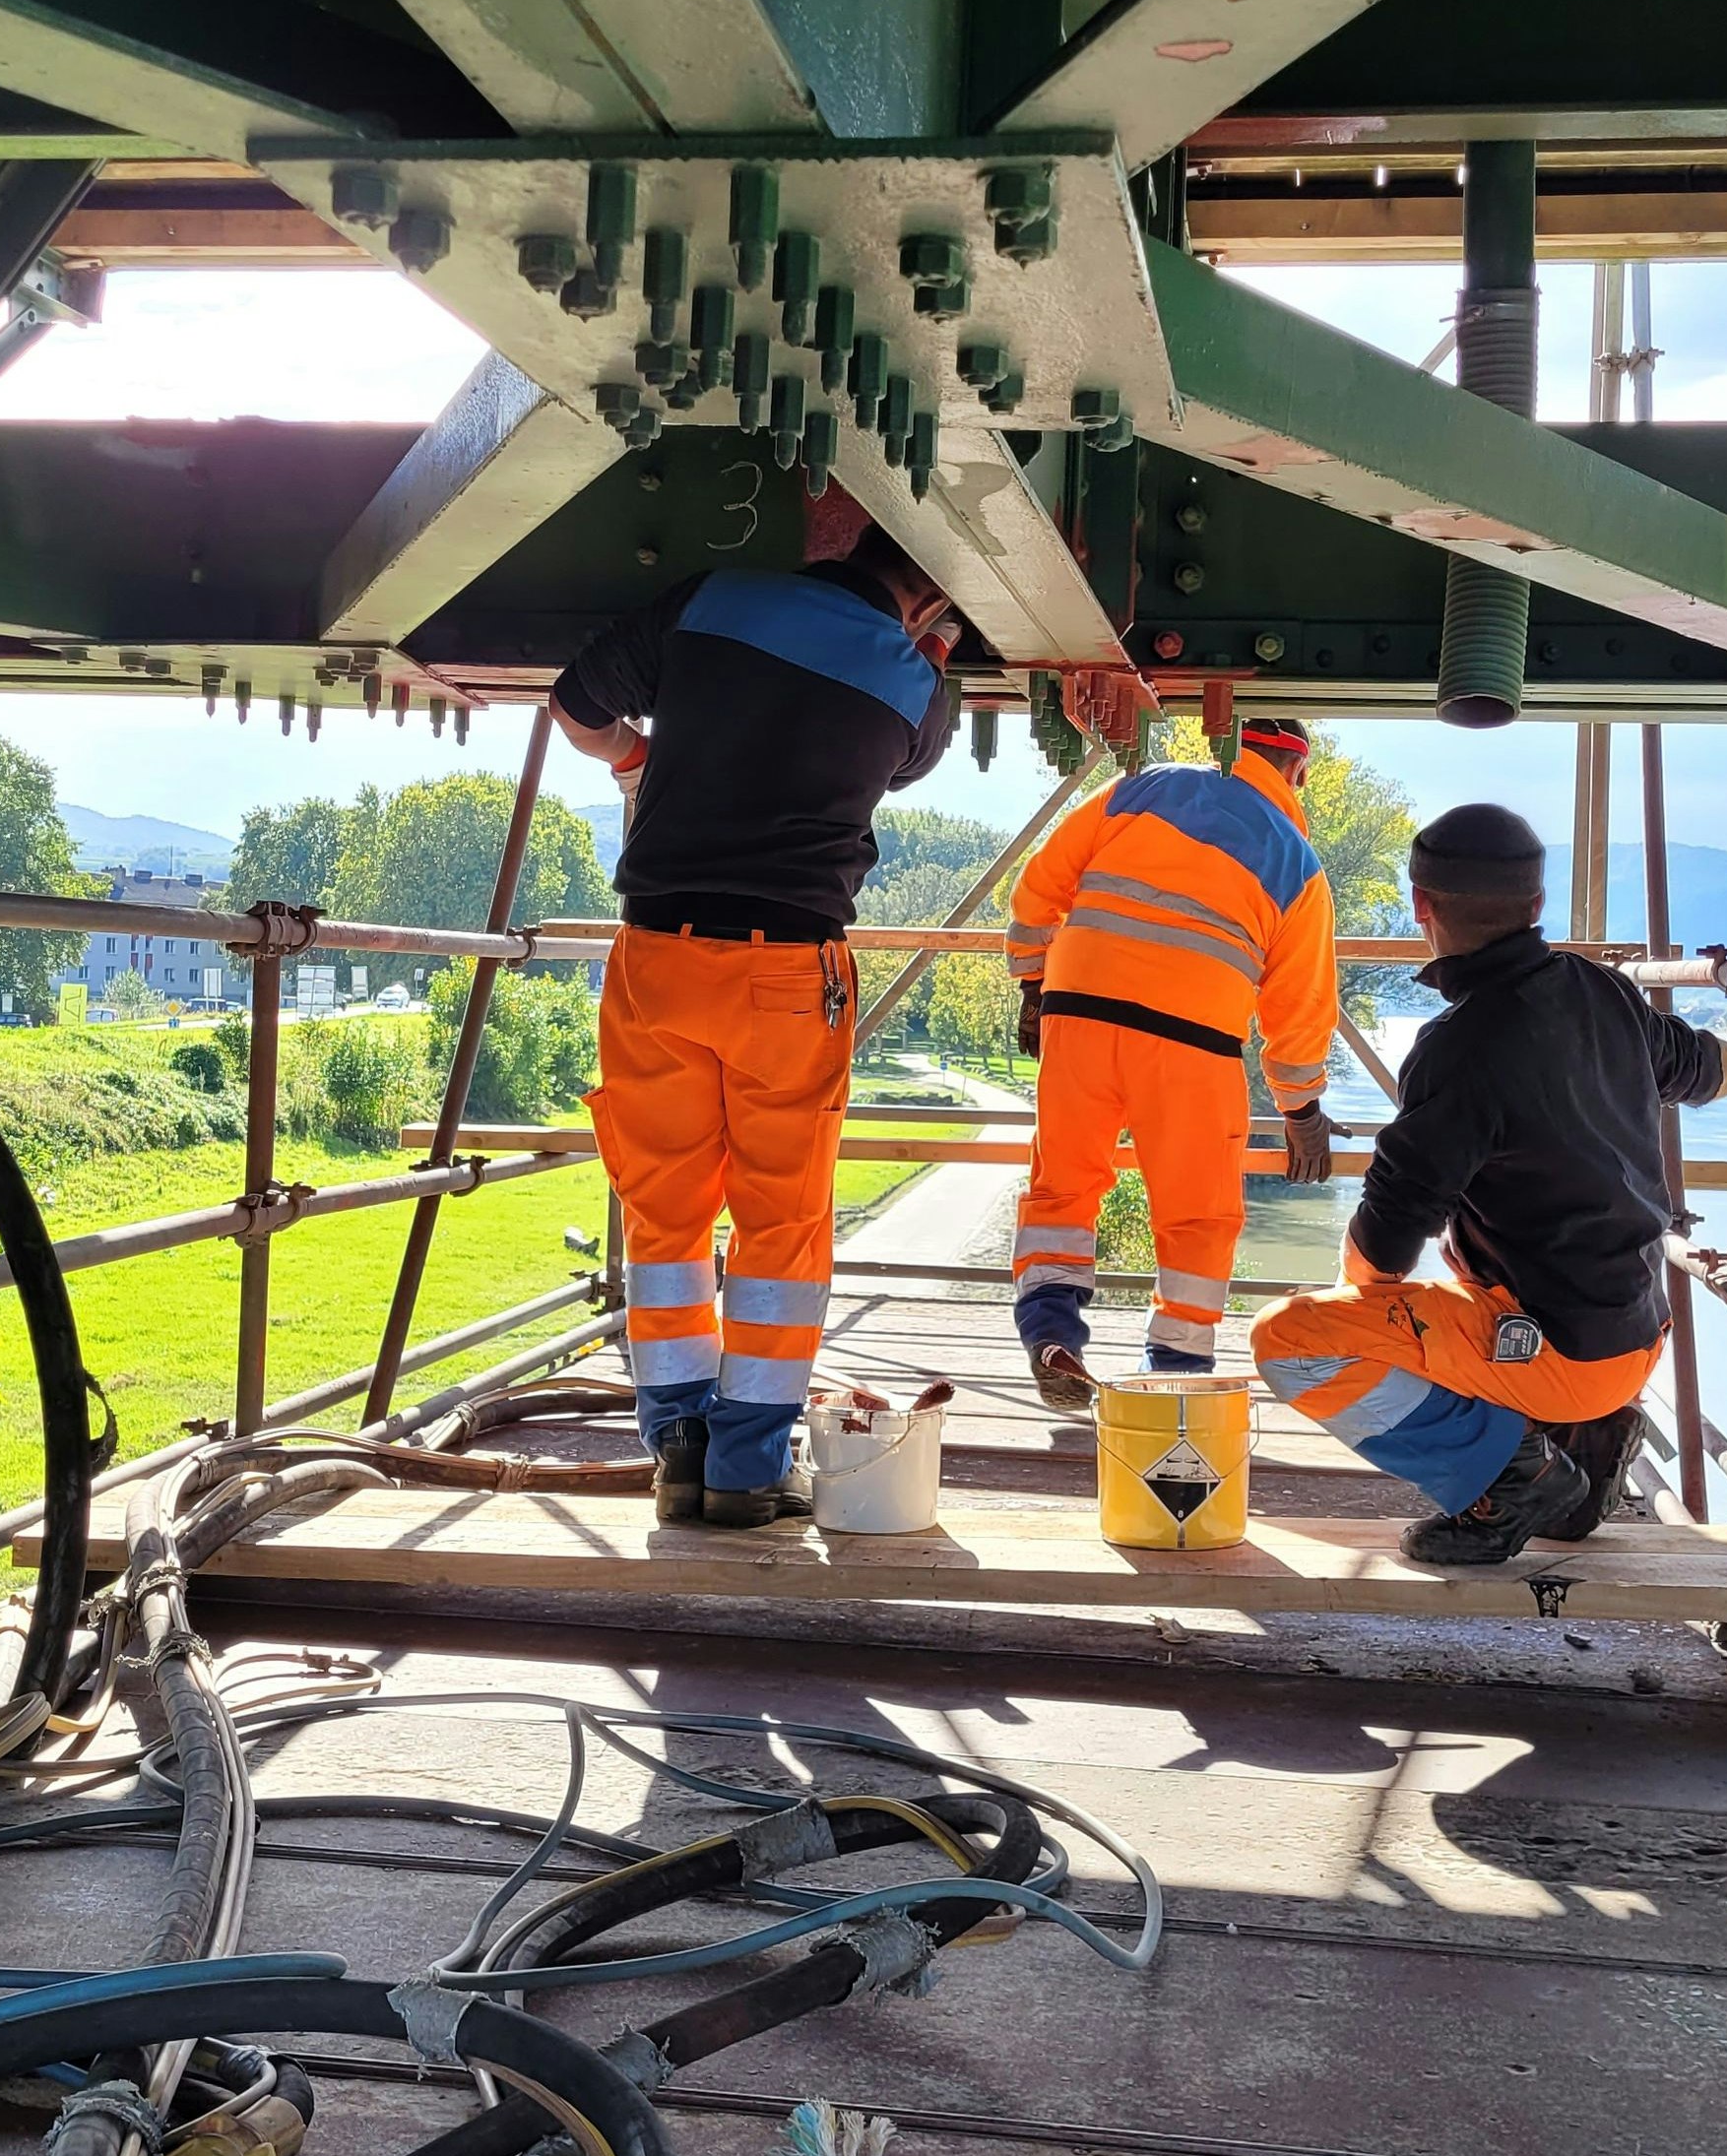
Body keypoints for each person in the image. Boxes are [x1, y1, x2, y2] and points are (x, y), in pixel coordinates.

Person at [1246, 803, 1727, 1563]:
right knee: (1472, 1292)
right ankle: (1586, 1443)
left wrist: (1362, 1311)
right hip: (1637, 1337)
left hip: (1554, 1356)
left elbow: (1388, 1242)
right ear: (1537, 907)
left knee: (1290, 1340)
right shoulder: (1603, 992)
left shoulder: (1458, 1049)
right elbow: (1705, 1069)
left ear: (1421, 908)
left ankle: (1510, 1476)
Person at [549, 526, 958, 1528]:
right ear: (931, 611)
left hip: (657, 956)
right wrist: (929, 659)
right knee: (780, 1220)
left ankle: (677, 1447)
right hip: (789, 970)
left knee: (664, 1211)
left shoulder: (712, 595)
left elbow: (574, 707)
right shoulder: (918, 685)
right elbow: (902, 762)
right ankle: (745, 1466)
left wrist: (638, 758)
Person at [1001, 718, 1339, 1407]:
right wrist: (1301, 1109)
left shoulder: (1140, 789)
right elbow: (1298, 1010)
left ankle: (1050, 1330)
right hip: (1194, 1040)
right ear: (1296, 774)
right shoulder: (1297, 864)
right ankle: (1176, 1373)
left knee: (1063, 1182)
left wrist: (1032, 984)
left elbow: (1040, 885)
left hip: (1080, 1013)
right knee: (1198, 1212)